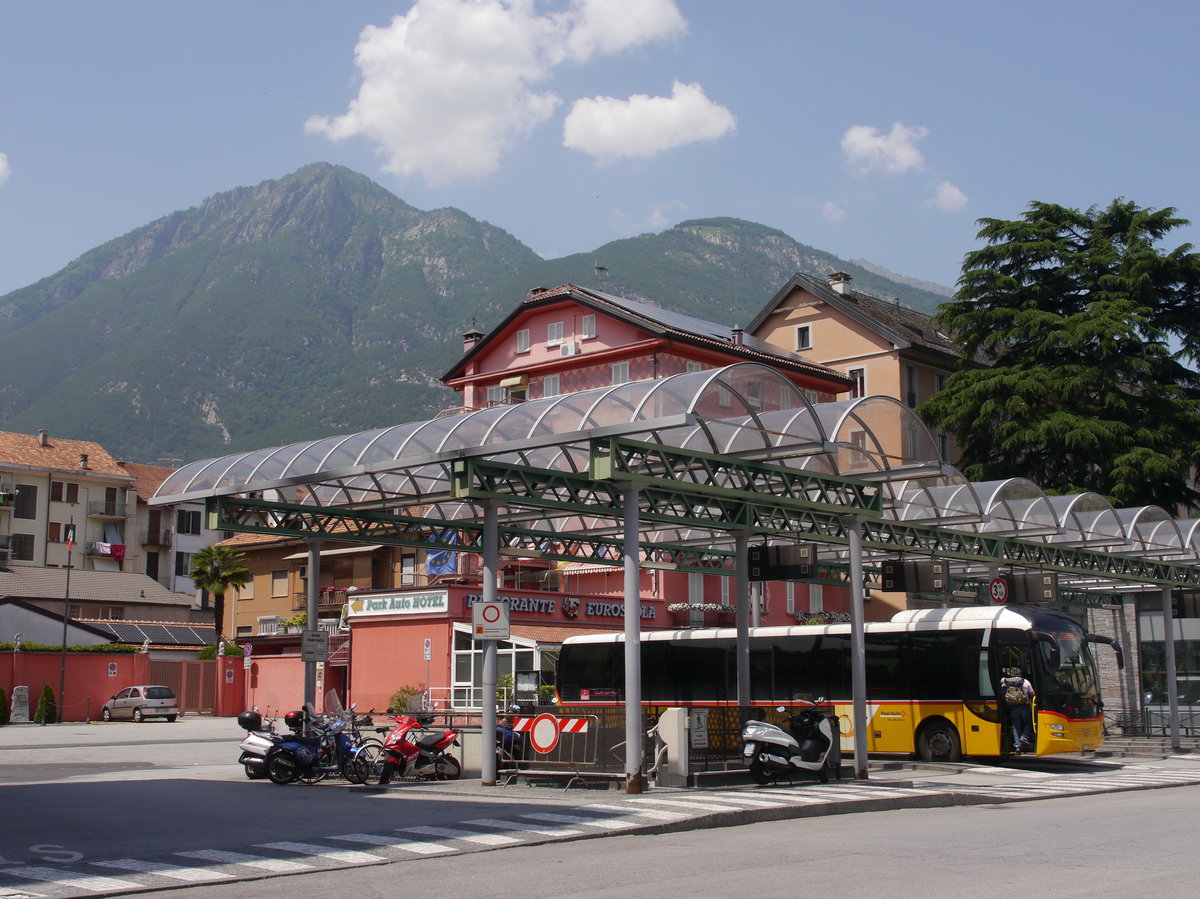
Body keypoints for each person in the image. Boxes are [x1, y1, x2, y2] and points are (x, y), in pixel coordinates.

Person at [1001, 667, 1036, 751]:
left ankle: (1017, 746)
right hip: (1024, 706)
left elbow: (1002, 691)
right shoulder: (1025, 681)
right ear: (1020, 674)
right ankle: (1023, 737)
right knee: (1028, 723)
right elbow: (1032, 693)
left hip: (1012, 707)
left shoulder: (1005, 681)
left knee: (1016, 726)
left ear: (1011, 673)